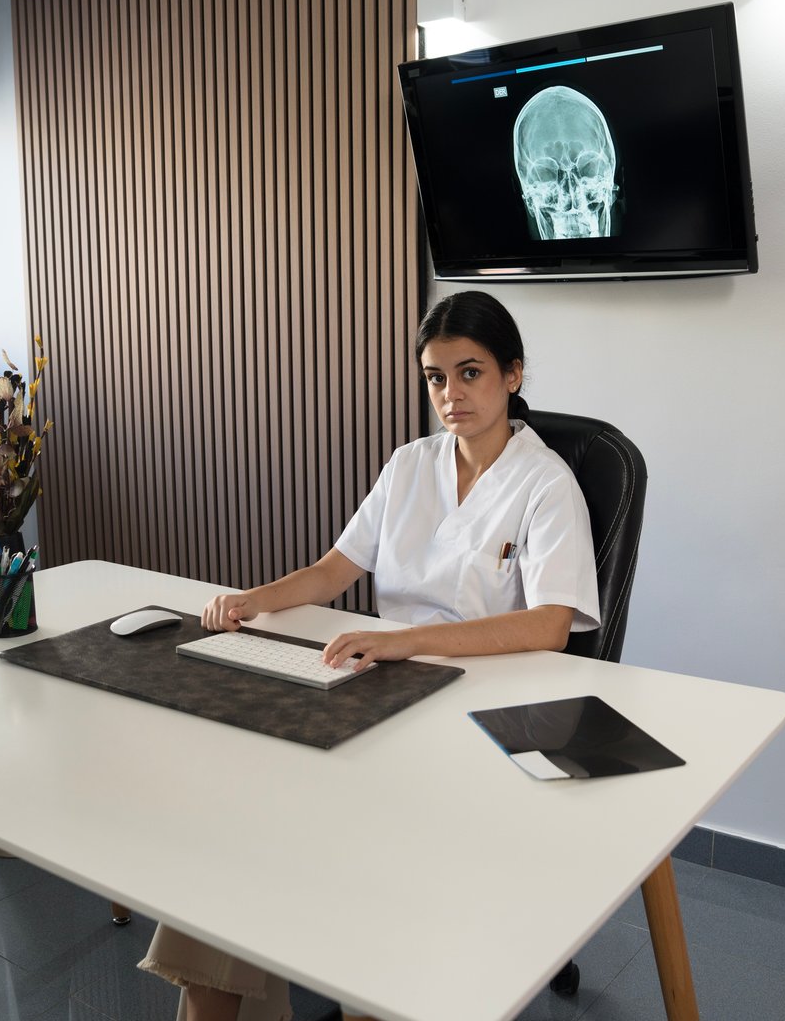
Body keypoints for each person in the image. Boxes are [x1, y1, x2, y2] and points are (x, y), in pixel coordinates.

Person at [139, 290, 601, 1021]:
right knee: (234, 829)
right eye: (436, 378)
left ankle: (371, 977)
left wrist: (403, 641)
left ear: (513, 376)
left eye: (471, 373)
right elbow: (336, 568)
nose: (451, 395)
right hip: (380, 689)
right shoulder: (409, 465)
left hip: (476, 711)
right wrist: (255, 597)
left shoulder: (547, 484)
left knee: (351, 868)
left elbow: (548, 625)